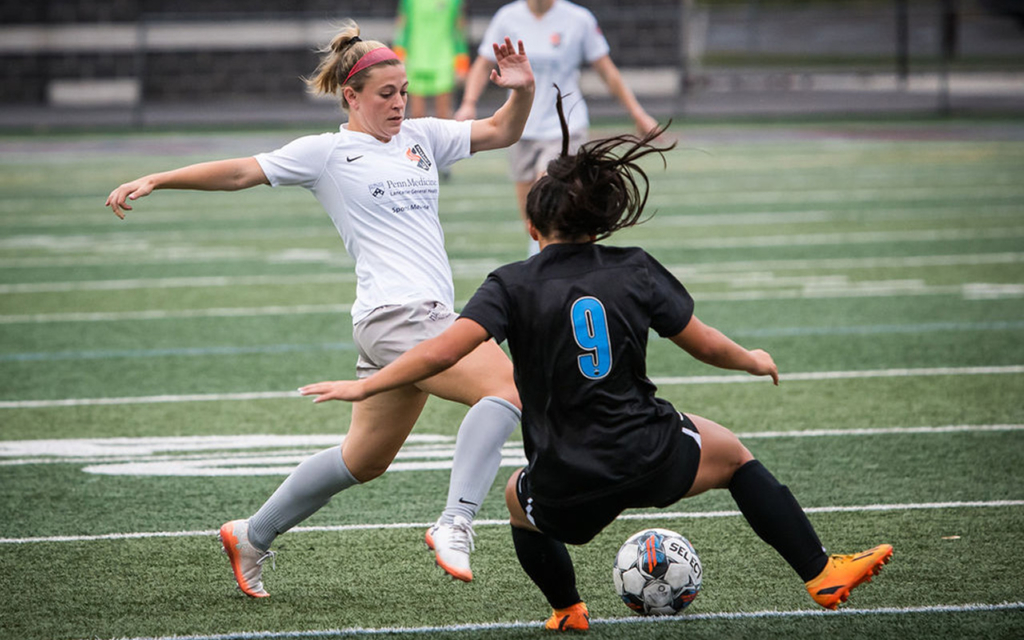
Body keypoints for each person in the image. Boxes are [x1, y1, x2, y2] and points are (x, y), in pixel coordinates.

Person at [299, 97, 894, 629]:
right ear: (602, 223)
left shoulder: (510, 283)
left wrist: (369, 384)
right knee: (735, 457)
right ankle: (820, 571)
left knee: (515, 500)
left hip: (568, 469)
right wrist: (750, 359)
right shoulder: (634, 267)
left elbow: (443, 349)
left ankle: (567, 609)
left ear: (532, 227)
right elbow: (704, 342)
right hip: (651, 447)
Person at [105, 21, 535, 597]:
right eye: (387, 94)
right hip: (398, 318)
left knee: (363, 460)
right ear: (351, 97)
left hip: (400, 322)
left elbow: (503, 131)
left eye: (404, 91)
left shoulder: (423, 137)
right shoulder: (327, 153)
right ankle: (455, 521)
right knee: (509, 388)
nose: (400, 103)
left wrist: (522, 90)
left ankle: (251, 536)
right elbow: (240, 172)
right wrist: (159, 177)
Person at [454, 0, 660, 255]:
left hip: (564, 127)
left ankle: (555, 267)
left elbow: (607, 71)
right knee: (531, 216)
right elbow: (483, 64)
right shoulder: (507, 17)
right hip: (519, 127)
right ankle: (541, 267)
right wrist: (468, 103)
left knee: (549, 198)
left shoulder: (578, 19)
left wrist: (638, 114)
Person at [393, 0, 470, 120]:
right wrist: (398, 57)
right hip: (415, 60)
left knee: (444, 116)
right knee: (416, 116)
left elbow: (459, 32)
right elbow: (402, 28)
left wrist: (462, 63)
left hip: (444, 60)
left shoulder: (455, 2)